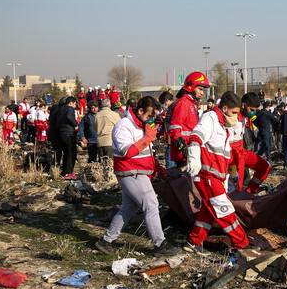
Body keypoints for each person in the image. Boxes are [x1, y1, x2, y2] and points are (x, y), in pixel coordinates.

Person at [95, 96, 178, 256]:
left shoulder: (142, 125)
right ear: (140, 111)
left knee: (128, 208)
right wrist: (147, 138)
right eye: (149, 116)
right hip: (130, 172)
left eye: (153, 116)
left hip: (139, 172)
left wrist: (158, 168)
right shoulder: (124, 126)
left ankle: (105, 241)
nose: (151, 120)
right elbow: (127, 152)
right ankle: (160, 244)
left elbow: (146, 153)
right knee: (151, 203)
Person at [184, 91, 249, 252]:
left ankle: (193, 242)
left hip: (216, 177)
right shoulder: (210, 119)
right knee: (225, 213)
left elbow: (224, 156)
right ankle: (241, 243)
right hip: (207, 176)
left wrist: (230, 175)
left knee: (207, 212)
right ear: (225, 108)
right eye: (234, 113)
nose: (236, 117)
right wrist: (193, 159)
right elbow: (195, 137)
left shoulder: (223, 126)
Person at [228, 93, 271, 194]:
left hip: (241, 151)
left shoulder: (245, 117)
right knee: (236, 184)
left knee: (265, 166)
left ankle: (249, 191)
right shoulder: (231, 116)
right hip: (231, 154)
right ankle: (238, 200)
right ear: (243, 105)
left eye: (255, 110)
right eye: (252, 110)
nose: (253, 113)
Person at [168, 71, 210, 167]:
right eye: (200, 89)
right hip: (184, 153)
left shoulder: (191, 104)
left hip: (190, 150)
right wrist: (183, 148)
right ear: (191, 86)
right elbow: (174, 128)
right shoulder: (183, 103)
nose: (202, 93)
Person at [58, 97, 79, 179]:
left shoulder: (60, 110)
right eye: (74, 103)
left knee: (66, 153)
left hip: (61, 133)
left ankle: (64, 172)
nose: (75, 106)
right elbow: (69, 117)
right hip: (69, 134)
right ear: (71, 103)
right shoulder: (70, 109)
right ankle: (69, 173)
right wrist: (75, 125)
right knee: (71, 153)